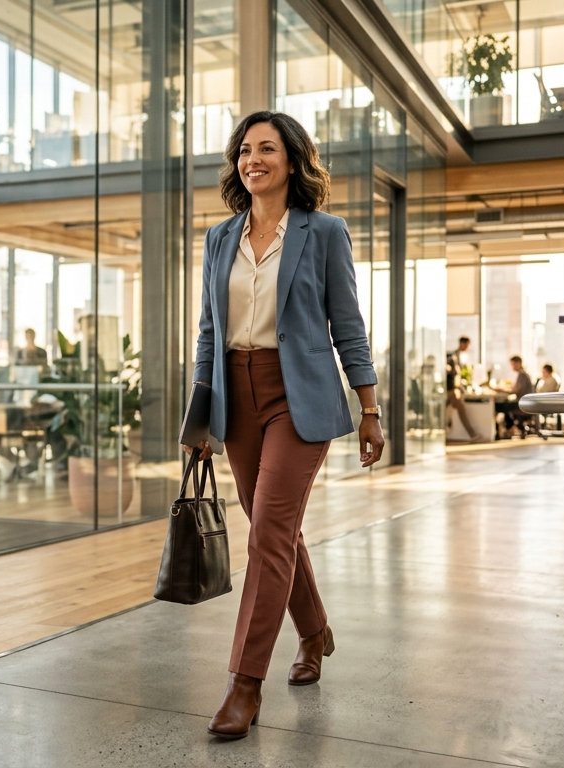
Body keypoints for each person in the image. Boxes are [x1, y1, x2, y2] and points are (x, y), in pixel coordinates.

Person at [186, 111, 383, 739]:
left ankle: (244, 684)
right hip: (236, 399)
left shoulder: (324, 232)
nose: (253, 160)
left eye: (267, 149)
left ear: (293, 161)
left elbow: (346, 326)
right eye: (245, 150)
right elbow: (209, 333)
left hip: (297, 398)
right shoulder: (221, 238)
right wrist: (199, 414)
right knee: (276, 527)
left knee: (268, 530)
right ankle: (315, 631)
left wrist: (370, 407)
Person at [445, 336, 481, 441]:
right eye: (466, 344)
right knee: (461, 411)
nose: (467, 347)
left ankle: (472, 434)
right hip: (452, 389)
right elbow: (454, 374)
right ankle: (472, 434)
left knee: (445, 412)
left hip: (453, 389)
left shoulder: (459, 356)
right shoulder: (453, 357)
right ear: (462, 343)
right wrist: (456, 387)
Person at [490, 355, 535, 437]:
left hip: (523, 403)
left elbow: (515, 390)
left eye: (513, 364)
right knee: (505, 406)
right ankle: (509, 427)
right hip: (524, 401)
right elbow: (515, 388)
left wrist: (499, 389)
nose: (512, 367)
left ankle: (503, 430)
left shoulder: (522, 375)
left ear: (519, 363)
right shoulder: (522, 374)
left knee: (498, 407)